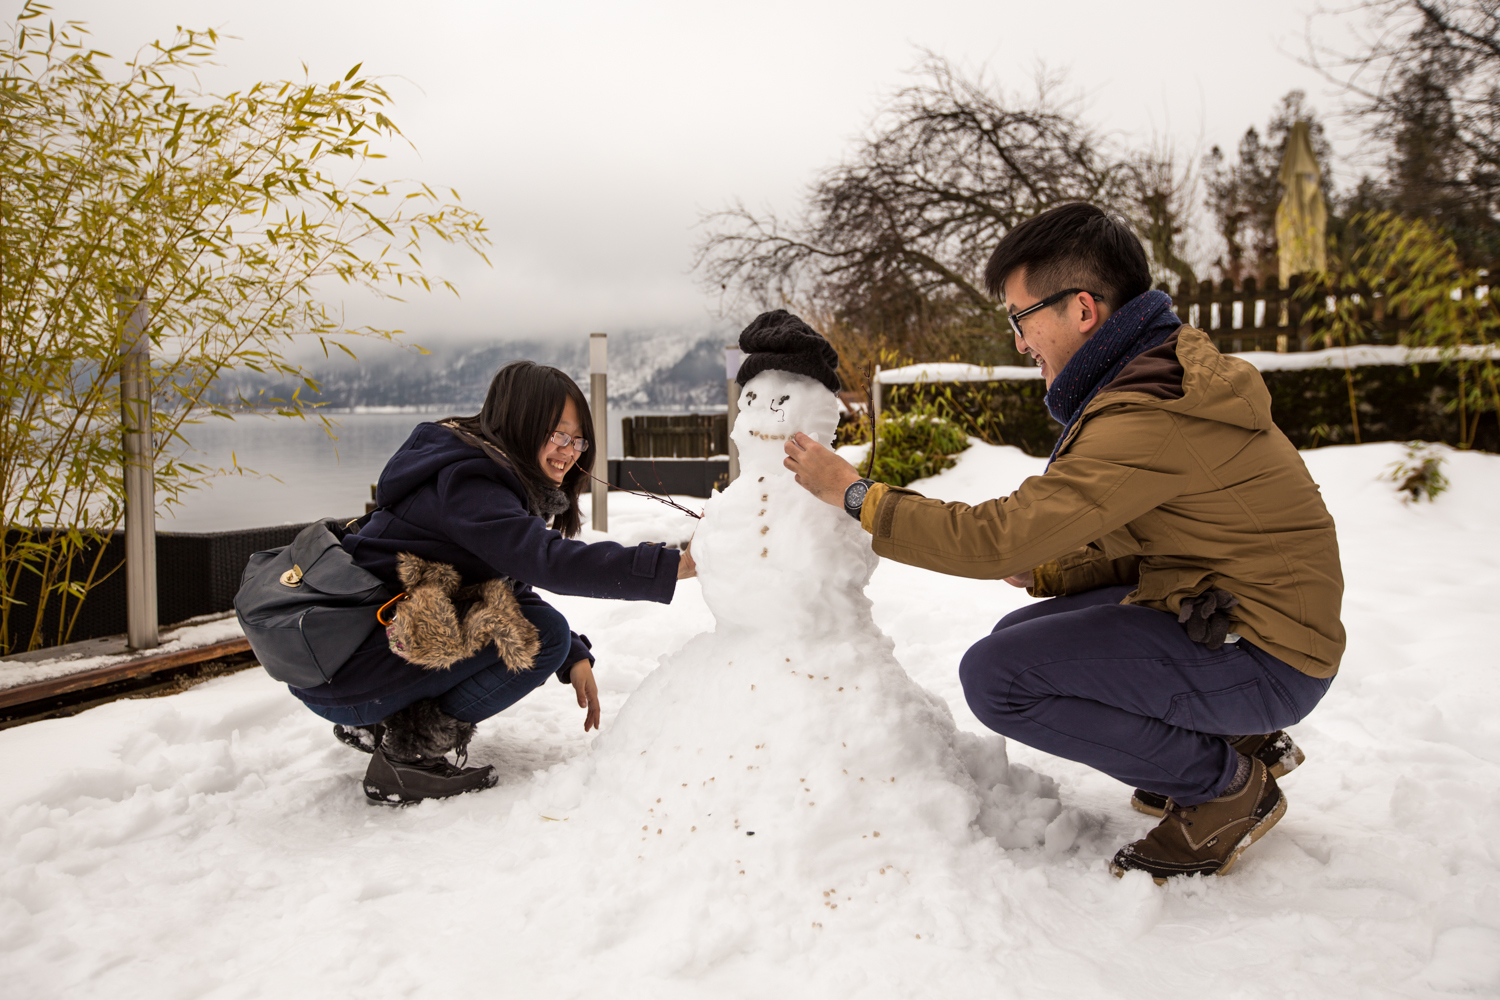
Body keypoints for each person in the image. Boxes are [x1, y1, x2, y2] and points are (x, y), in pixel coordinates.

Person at [782, 203, 1344, 882]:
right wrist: (1055, 568)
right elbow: (1157, 532)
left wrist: (856, 495)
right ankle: (1231, 736)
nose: (1020, 341)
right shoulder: (1157, 372)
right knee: (1028, 634)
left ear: (1082, 310)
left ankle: (1223, 789)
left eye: (1021, 318)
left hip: (1268, 650)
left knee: (1001, 679)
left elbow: (994, 539)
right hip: (1240, 611)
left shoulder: (1148, 409)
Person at [291, 361, 696, 804]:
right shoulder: (471, 483)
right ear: (519, 421)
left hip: (347, 667)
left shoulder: (469, 471)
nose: (570, 451)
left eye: (578, 439)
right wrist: (667, 565)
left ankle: (377, 723)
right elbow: (546, 562)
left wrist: (575, 654)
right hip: (348, 673)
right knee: (542, 637)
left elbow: (501, 582)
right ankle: (410, 754)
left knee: (543, 627)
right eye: (558, 434)